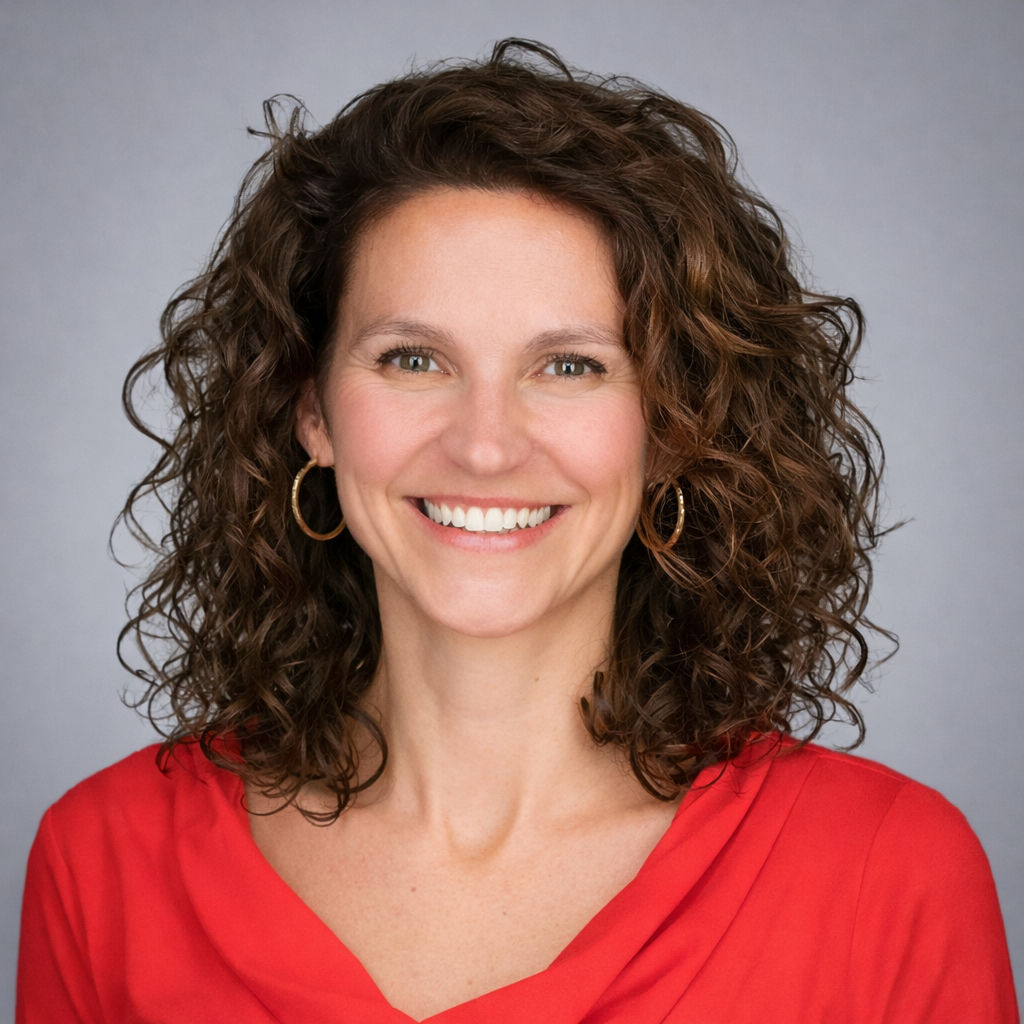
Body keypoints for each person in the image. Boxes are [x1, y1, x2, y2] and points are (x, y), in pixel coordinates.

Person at [16, 39, 1017, 1024]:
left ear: (673, 426)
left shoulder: (886, 872)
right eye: (413, 359)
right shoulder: (102, 861)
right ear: (309, 407)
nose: (485, 447)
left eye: (569, 365)